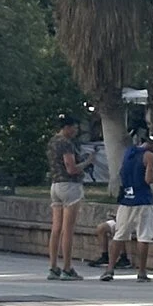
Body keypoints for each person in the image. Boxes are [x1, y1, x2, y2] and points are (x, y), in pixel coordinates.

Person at [102, 133, 153, 281]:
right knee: (144, 236)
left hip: (126, 199)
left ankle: (109, 269)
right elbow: (148, 180)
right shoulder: (149, 156)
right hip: (142, 200)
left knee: (119, 235)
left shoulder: (129, 152)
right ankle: (142, 272)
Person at [45, 113, 87, 280]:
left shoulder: (52, 142)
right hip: (70, 186)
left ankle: (53, 266)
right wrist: (86, 163)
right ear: (67, 127)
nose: (76, 131)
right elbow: (71, 168)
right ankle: (67, 267)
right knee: (68, 229)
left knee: (56, 228)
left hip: (55, 185)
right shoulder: (66, 144)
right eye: (74, 128)